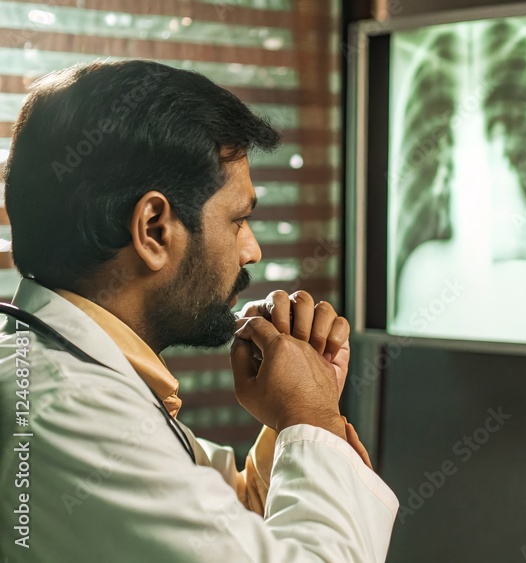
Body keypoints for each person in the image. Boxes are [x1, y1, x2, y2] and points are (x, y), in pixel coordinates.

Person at [0, 60, 397, 561]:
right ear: (154, 230)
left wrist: (296, 413)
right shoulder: (66, 410)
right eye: (238, 220)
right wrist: (310, 418)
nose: (251, 250)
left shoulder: (67, 376)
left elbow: (231, 520)